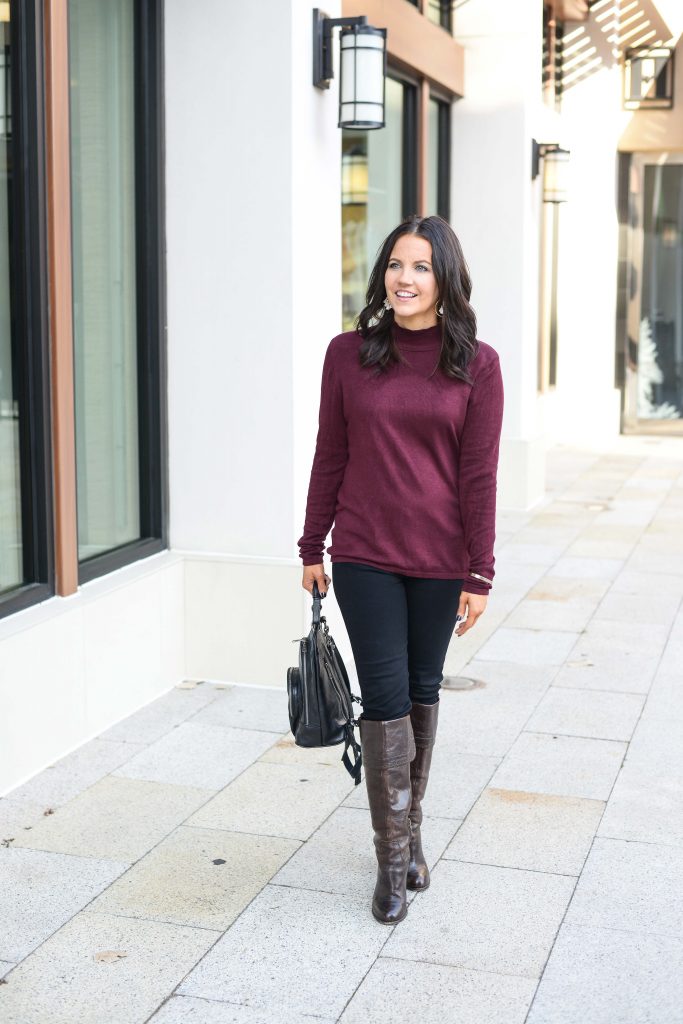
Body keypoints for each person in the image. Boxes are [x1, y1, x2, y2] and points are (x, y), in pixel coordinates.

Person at [297, 214, 504, 925]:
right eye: (394, 265)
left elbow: (479, 475)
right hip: (363, 553)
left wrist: (479, 572)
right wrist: (310, 545)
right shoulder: (347, 353)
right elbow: (331, 452)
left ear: (444, 278)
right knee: (383, 697)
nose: (404, 279)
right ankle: (391, 868)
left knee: (420, 689)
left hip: (440, 559)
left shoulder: (476, 363)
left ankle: (411, 839)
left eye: (419, 267)